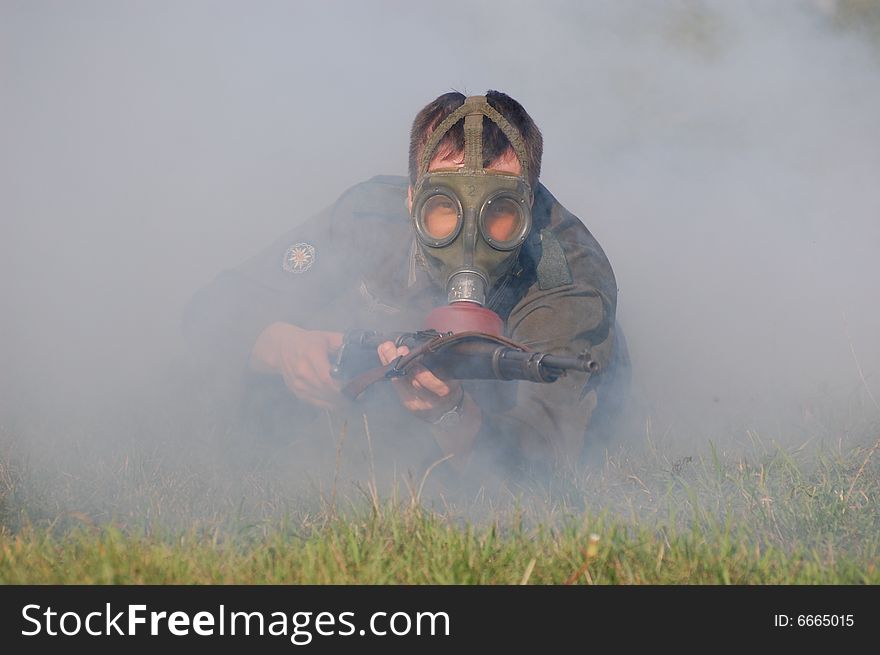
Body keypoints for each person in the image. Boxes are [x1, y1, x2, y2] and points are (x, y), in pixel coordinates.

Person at [182, 90, 628, 482]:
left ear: (529, 206)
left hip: (516, 405)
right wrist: (283, 346)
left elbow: (548, 460)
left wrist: (454, 418)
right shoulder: (368, 220)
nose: (468, 236)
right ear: (411, 200)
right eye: (444, 207)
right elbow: (213, 311)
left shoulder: (564, 270)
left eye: (499, 210)